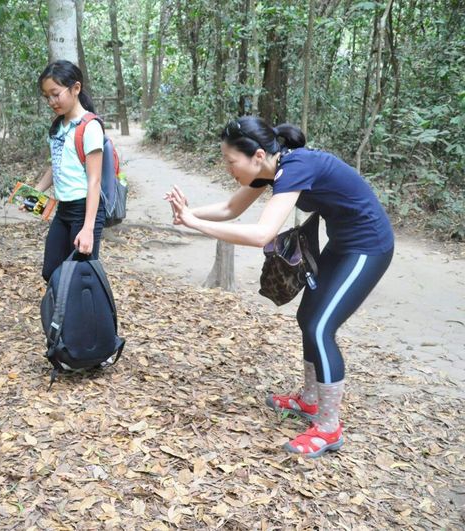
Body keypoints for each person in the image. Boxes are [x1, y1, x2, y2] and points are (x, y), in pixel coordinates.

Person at [166, 116, 394, 457]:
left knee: (320, 327)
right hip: (343, 244)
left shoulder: (295, 167)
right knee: (308, 317)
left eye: (231, 162)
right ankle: (310, 401)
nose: (228, 168)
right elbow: (230, 208)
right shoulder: (270, 168)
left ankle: (329, 429)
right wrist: (188, 213)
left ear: (258, 155)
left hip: (369, 246)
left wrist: (195, 224)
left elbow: (262, 234)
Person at [33, 60, 105, 281]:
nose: (51, 101)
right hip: (63, 209)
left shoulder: (90, 127)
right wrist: (35, 193)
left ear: (75, 88)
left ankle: (87, 315)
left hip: (84, 210)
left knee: (80, 277)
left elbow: (94, 181)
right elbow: (56, 165)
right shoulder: (58, 126)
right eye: (47, 97)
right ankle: (61, 315)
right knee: (51, 272)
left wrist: (88, 229)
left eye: (55, 94)